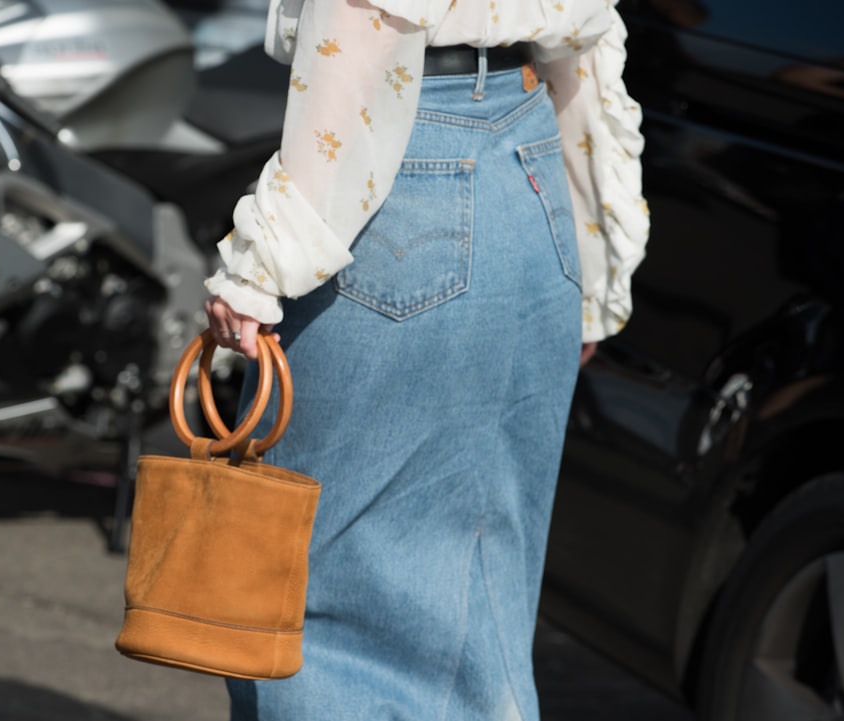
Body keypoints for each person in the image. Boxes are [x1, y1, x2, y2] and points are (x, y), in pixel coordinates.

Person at [203, 0, 649, 719]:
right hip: (531, 163)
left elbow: (361, 18)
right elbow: (589, 35)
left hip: (398, 163)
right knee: (487, 604)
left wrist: (263, 265)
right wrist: (594, 260)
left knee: (308, 596)